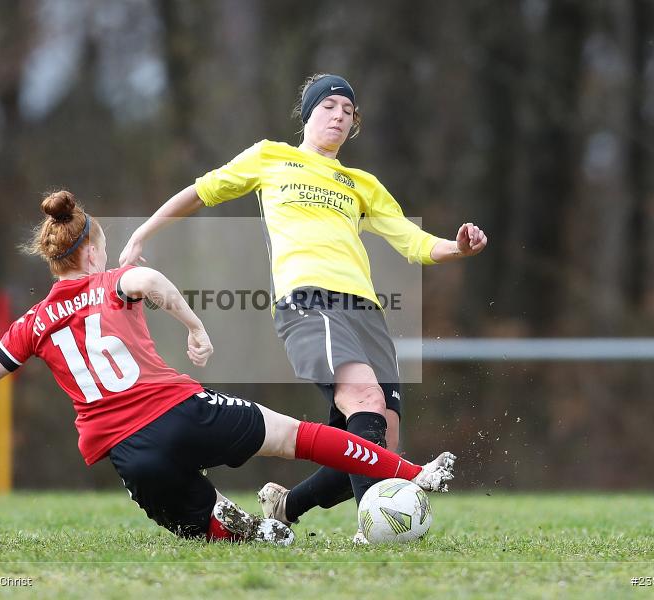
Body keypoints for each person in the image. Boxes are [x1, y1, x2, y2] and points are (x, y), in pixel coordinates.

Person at [0, 190, 456, 545]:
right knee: (300, 436)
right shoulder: (109, 280)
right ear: (91, 250)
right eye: (106, 247)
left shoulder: (35, 320)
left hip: (130, 455)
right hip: (180, 411)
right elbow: (148, 282)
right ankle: (416, 473)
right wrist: (193, 327)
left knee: (206, 528)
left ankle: (252, 530)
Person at [119, 73, 487, 541]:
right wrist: (141, 233)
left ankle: (285, 505)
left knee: (377, 447)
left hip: (367, 313)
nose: (339, 115)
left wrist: (458, 248)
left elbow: (413, 243)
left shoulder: (362, 184)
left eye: (348, 111)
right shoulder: (271, 157)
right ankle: (374, 533)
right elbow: (200, 191)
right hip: (309, 303)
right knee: (365, 402)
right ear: (309, 112)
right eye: (329, 106)